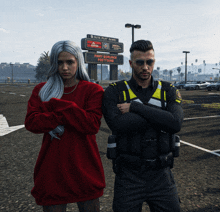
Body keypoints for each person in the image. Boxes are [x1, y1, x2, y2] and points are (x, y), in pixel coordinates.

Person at [102, 40, 184, 212]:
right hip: (128, 177)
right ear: (131, 63)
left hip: (162, 176)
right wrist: (161, 116)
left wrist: (135, 107)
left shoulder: (168, 90)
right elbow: (118, 125)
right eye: (140, 62)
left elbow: (175, 123)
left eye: (150, 62)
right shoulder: (115, 91)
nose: (145, 67)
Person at [25, 40, 105, 212]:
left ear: (78, 62)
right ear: (54, 63)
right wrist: (66, 113)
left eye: (70, 62)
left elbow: (91, 125)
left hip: (85, 169)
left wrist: (58, 107)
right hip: (52, 170)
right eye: (60, 62)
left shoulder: (92, 90)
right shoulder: (42, 90)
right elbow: (32, 122)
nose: (65, 67)